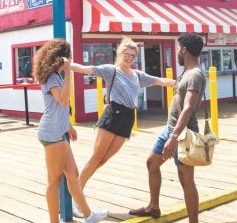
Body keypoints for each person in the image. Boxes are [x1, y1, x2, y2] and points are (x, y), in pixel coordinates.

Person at [67, 38, 176, 211]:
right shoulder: (111, 71)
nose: (130, 58)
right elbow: (84, 69)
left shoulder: (138, 75)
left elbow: (160, 81)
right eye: (127, 54)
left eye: (133, 55)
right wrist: (65, 63)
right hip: (113, 114)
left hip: (127, 119)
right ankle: (75, 198)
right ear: (119, 54)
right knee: (95, 158)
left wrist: (178, 83)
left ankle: (76, 193)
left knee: (102, 160)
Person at [129, 33, 208, 223]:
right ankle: (153, 206)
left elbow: (189, 107)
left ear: (184, 50)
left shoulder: (195, 75)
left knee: (186, 181)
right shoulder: (187, 73)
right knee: (152, 163)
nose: (177, 52)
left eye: (178, 48)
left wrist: (174, 137)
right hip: (171, 129)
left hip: (184, 134)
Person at [33, 39, 109, 223]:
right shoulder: (52, 78)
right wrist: (69, 74)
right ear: (60, 58)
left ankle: (89, 216)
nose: (70, 60)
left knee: (73, 176)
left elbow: (59, 108)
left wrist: (68, 125)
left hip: (60, 131)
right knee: (54, 181)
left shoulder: (56, 75)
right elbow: (63, 100)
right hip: (52, 134)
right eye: (68, 57)